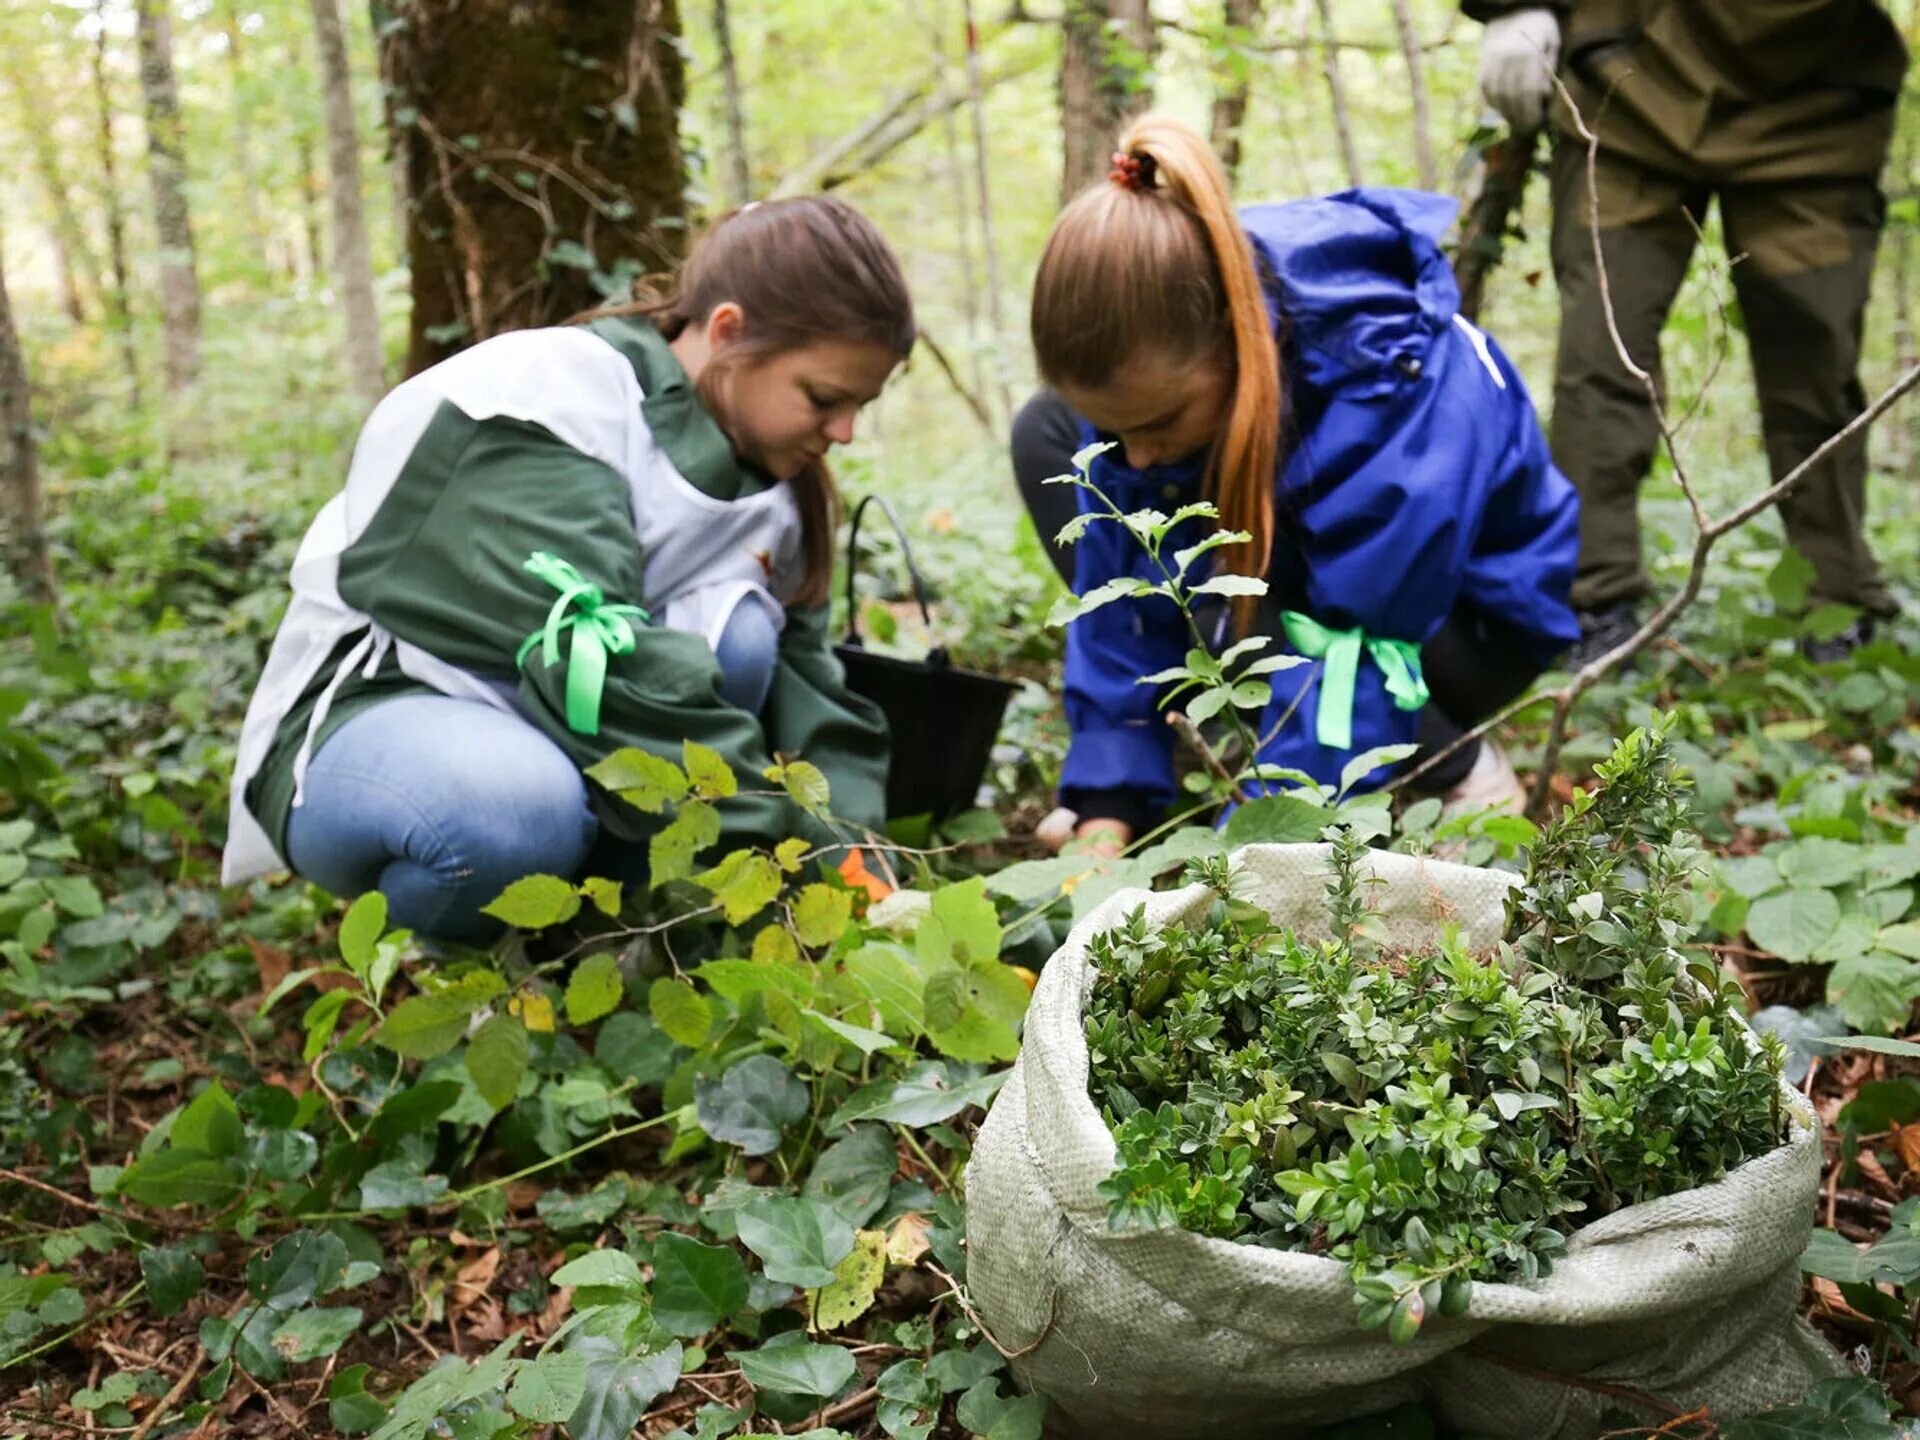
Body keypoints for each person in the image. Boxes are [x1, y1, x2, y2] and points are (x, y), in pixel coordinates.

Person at [223, 197, 914, 941]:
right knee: (510, 814)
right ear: (728, 334)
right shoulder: (552, 401)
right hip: (375, 719)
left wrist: (859, 861)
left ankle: (611, 929)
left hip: (563, 746)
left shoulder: (781, 486)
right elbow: (605, 669)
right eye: (824, 399)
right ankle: (445, 967)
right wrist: (797, 860)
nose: (843, 433)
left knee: (746, 637)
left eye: (859, 407)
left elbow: (808, 691)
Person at [1012, 115, 1580, 856]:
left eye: (1157, 421)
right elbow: (1119, 589)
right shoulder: (1159, 346)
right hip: (1299, 562)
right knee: (1048, 437)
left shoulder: (1390, 384)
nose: (1140, 456)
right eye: (1118, 430)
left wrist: (1244, 864)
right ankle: (1186, 742)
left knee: (1275, 611)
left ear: (1232, 338)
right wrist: (1105, 811)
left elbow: (1352, 648)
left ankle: (1459, 761)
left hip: (1463, 629)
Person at [1470, 0, 1910, 663]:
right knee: (1601, 351)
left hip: (1822, 93)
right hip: (1625, 75)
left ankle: (1837, 599)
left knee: (1815, 368)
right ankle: (1593, 598)